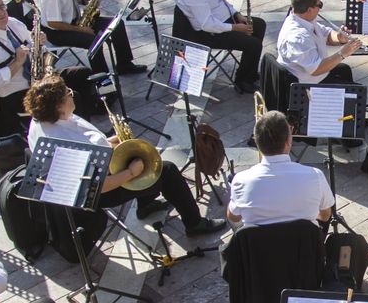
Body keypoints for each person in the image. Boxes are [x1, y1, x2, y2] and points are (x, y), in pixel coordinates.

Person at [24, 75, 223, 236]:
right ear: (58, 106)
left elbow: (93, 149)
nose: (71, 94)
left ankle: (145, 204)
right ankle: (194, 223)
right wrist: (129, 172)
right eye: (67, 94)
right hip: (96, 193)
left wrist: (113, 141)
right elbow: (94, 187)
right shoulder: (67, 141)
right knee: (167, 170)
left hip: (98, 169)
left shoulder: (42, 121)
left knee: (141, 157)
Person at [0, 0, 100, 138]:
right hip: (17, 93)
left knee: (83, 74)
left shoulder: (13, 23)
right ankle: (76, 136)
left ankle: (84, 124)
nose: (1, 12)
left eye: (2, 7)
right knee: (70, 96)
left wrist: (40, 42)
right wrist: (17, 62)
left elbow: (34, 47)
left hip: (37, 78)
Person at [172, 0, 266, 94]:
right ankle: (243, 81)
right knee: (253, 44)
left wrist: (237, 14)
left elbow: (220, 1)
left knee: (259, 24)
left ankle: (250, 72)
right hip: (206, 32)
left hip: (220, 20)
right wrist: (236, 28)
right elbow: (207, 24)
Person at [226, 110, 334, 228]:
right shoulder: (316, 176)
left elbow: (233, 217)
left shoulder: (240, 180)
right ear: (288, 141)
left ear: (257, 143)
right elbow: (325, 216)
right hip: (303, 245)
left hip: (260, 246)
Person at [276, 0, 361, 86]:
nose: (320, 8)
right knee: (355, 90)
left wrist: (340, 37)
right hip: (308, 86)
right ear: (309, 10)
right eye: (319, 5)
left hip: (318, 75)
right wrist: (343, 53)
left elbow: (327, 35)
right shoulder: (298, 37)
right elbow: (316, 69)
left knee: (344, 70)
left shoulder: (304, 19)